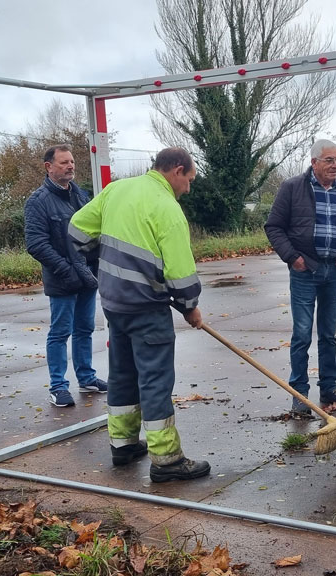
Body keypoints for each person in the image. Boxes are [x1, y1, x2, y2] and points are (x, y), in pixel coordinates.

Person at [68, 147, 210, 482]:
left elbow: (76, 230)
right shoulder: (167, 208)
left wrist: (102, 265)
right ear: (177, 170)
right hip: (147, 310)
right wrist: (190, 306)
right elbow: (181, 275)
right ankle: (166, 459)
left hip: (114, 305)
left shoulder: (117, 189)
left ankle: (123, 445)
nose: (188, 188)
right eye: (188, 180)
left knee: (122, 374)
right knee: (155, 381)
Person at [265, 139, 336, 415]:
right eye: (329, 160)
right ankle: (299, 393)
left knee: (328, 334)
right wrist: (293, 258)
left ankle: (329, 387)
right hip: (305, 270)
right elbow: (273, 227)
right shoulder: (293, 187)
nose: (335, 165)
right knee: (302, 334)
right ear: (314, 162)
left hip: (335, 270)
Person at [24, 144, 107, 408]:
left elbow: (94, 231)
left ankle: (87, 377)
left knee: (85, 329)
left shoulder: (81, 196)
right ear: (49, 167)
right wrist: (67, 270)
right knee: (60, 333)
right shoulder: (37, 202)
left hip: (87, 277)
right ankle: (58, 386)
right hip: (62, 280)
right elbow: (36, 244)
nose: (70, 166)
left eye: (71, 162)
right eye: (63, 163)